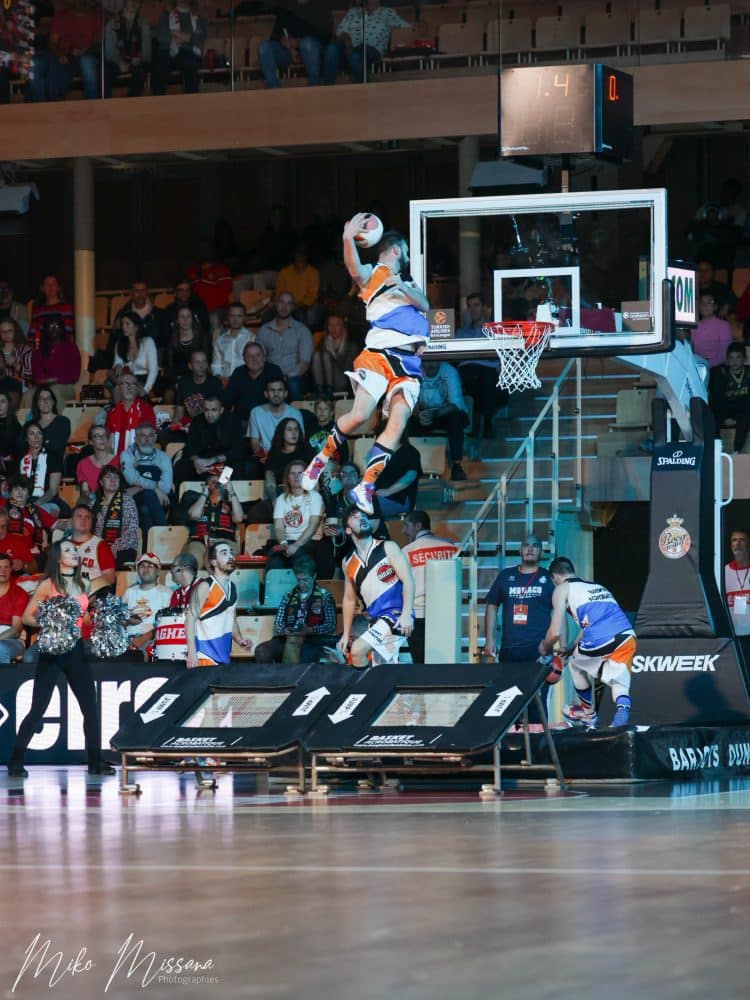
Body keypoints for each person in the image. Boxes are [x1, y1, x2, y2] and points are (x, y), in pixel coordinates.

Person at [303, 216, 430, 514]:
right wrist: (348, 239)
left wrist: (403, 287)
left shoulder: (408, 284)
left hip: (408, 363)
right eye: (407, 251)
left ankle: (367, 484)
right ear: (397, 250)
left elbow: (425, 305)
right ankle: (319, 461)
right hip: (377, 355)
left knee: (397, 423)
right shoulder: (374, 274)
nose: (409, 256)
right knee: (359, 414)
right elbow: (353, 268)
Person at [7, 541, 116, 778]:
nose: (74, 553)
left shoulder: (83, 583)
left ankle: (95, 761)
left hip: (75, 649)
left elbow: (84, 617)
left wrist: (109, 619)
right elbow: (27, 617)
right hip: (53, 649)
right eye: (68, 550)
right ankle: (15, 760)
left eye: (75, 550)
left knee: (90, 707)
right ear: (58, 557)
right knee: (38, 708)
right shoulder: (48, 585)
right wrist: (52, 621)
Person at [540, 556, 636, 730]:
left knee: (575, 665)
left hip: (600, 637)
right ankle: (622, 711)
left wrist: (544, 647)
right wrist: (571, 646)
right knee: (619, 678)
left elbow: (554, 632)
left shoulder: (562, 588)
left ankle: (589, 715)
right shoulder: (595, 586)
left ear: (555, 577)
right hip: (627, 635)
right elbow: (588, 626)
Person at [339, 505, 415, 667]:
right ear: (347, 530)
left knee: (357, 650)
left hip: (395, 615)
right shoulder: (348, 562)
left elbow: (408, 579)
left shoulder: (388, 547)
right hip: (376, 619)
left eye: (363, 515)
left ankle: (361, 691)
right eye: (355, 516)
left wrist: (407, 613)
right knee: (383, 670)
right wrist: (345, 635)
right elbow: (349, 600)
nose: (362, 518)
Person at [254, 552, 337, 664]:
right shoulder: (288, 596)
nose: (302, 583)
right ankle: (272, 680)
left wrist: (310, 630)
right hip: (288, 638)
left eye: (305, 580)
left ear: (314, 576)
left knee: (300, 646)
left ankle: (289, 678)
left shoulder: (324, 596)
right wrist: (284, 630)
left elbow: (330, 625)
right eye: (299, 580)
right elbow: (278, 624)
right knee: (262, 651)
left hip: (313, 640)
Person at [401, 510, 459, 664]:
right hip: (447, 615)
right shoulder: (450, 547)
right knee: (445, 662)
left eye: (406, 526)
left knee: (420, 664)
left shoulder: (406, 551)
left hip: (418, 615)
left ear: (418, 526)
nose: (403, 530)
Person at [185, 541, 250, 666]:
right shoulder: (205, 586)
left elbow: (232, 620)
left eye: (231, 553)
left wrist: (240, 640)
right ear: (213, 562)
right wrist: (192, 652)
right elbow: (190, 618)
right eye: (224, 553)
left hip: (224, 657)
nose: (230, 556)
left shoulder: (233, 588)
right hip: (204, 655)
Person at [259, 0, 337, 89]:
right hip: (290, 52)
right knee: (264, 48)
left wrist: (298, 42)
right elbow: (275, 35)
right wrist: (282, 40)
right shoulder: (288, 6)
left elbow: (326, 35)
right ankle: (273, 88)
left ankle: (314, 86)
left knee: (307, 44)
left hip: (313, 50)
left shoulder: (320, 4)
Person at [413, 358, 469, 481]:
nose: (430, 364)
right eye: (426, 361)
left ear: (439, 361)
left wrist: (434, 414)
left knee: (456, 419)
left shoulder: (449, 372)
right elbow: (411, 401)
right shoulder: (415, 371)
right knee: (406, 420)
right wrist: (418, 414)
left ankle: (456, 466)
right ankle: (412, 467)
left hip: (447, 413)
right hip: (424, 414)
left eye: (433, 361)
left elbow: (455, 405)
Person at [269, 459, 325, 574]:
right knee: (274, 564)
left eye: (300, 473)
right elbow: (279, 527)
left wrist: (296, 546)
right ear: (288, 478)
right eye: (293, 473)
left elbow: (313, 525)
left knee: (300, 560)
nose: (296, 476)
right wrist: (283, 543)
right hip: (287, 542)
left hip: (308, 543)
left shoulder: (315, 497)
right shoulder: (281, 499)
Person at [256, 292, 314, 402]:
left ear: (293, 307)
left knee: (293, 384)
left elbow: (304, 363)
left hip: (295, 376)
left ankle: (297, 416)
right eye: (281, 302)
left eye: (289, 303)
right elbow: (260, 360)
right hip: (271, 376)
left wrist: (287, 376)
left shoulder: (302, 330)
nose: (284, 307)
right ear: (275, 304)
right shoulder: (264, 330)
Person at [175, 394, 244, 486]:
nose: (209, 414)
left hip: (225, 461)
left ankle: (225, 494)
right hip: (203, 463)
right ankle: (188, 496)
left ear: (221, 410)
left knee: (237, 466)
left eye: (214, 410)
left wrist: (214, 460)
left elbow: (238, 449)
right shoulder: (198, 420)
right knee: (181, 466)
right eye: (206, 410)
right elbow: (190, 447)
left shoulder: (233, 421)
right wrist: (196, 460)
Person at [335, 0, 410, 82]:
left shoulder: (387, 12)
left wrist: (419, 26)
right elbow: (340, 30)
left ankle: (364, 85)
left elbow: (407, 28)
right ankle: (326, 87)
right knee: (332, 51)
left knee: (355, 57)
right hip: (349, 48)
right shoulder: (353, 11)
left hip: (373, 50)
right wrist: (347, 40)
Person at [121, 422, 173, 533]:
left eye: (150, 435)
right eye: (143, 436)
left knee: (145, 510)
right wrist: (154, 488)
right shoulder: (127, 455)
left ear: (155, 438)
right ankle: (163, 532)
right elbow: (131, 478)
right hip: (135, 499)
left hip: (161, 500)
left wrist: (145, 487)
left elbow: (167, 485)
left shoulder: (163, 456)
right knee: (147, 495)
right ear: (135, 438)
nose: (147, 439)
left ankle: (148, 546)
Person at [47, 0, 101, 101]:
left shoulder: (95, 17)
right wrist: (60, 55)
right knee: (54, 64)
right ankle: (55, 104)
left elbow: (98, 44)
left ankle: (92, 104)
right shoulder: (62, 17)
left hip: (86, 56)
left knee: (87, 61)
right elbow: (52, 43)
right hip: (66, 57)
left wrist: (85, 50)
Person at [185, 474, 244, 566]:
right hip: (199, 541)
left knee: (222, 556)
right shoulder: (197, 501)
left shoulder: (230, 503)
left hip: (224, 540)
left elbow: (239, 518)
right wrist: (205, 493)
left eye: (219, 482)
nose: (217, 484)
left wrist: (231, 491)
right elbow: (194, 515)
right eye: (213, 481)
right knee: (194, 557)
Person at [222, 341, 284, 426]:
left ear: (264, 356)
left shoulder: (274, 371)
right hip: (242, 421)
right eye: (250, 356)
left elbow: (282, 399)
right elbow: (227, 400)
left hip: (268, 421)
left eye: (258, 355)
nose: (254, 359)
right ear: (244, 359)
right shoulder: (238, 372)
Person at [152, 0, 206, 95]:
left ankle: (192, 103)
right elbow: (161, 38)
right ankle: (157, 104)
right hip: (167, 52)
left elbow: (199, 40)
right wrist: (188, 37)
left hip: (189, 53)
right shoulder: (166, 16)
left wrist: (174, 33)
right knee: (160, 66)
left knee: (190, 64)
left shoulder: (198, 18)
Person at [124, 552, 173, 657]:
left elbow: (167, 624)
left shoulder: (166, 593)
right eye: (142, 566)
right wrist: (127, 620)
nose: (145, 570)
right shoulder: (129, 591)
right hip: (126, 640)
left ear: (158, 571)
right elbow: (120, 620)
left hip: (151, 641)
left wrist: (143, 638)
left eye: (150, 566)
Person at [91, 466, 139, 568]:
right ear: (101, 482)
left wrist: (115, 547)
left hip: (123, 549)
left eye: (116, 477)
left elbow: (131, 530)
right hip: (99, 548)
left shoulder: (128, 502)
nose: (113, 479)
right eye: (108, 476)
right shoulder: (94, 504)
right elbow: (90, 531)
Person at [103, 0, 151, 98]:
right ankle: (106, 105)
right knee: (104, 72)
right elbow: (109, 52)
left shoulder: (144, 24)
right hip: (116, 60)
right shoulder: (112, 24)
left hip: (135, 60)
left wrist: (139, 58)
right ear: (125, 2)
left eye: (137, 1)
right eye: (131, 0)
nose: (134, 3)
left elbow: (147, 53)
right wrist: (119, 62)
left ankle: (131, 103)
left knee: (140, 73)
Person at [29, 315, 81, 405]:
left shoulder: (71, 348)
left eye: (57, 326)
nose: (53, 329)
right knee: (28, 395)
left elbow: (74, 376)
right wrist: (44, 382)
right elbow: (37, 376)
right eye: (50, 326)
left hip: (65, 386)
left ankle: (53, 419)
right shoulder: (39, 352)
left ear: (62, 329)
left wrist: (56, 380)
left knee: (51, 393)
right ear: (45, 330)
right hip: (42, 387)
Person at [248, 377, 305, 458]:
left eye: (280, 390)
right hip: (264, 457)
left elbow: (301, 441)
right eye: (272, 390)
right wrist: (264, 458)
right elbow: (255, 443)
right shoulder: (256, 412)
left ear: (285, 393)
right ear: (266, 394)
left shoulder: (295, 413)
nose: (276, 394)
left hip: (289, 456)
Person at [709, 343, 750, 453]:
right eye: (731, 357)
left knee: (746, 415)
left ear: (745, 359)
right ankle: (717, 447)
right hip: (723, 407)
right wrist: (726, 417)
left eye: (738, 357)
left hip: (743, 409)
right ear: (726, 360)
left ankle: (737, 449)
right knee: (712, 416)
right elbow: (717, 397)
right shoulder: (719, 372)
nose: (734, 361)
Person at [105, 372, 156, 457]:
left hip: (139, 461)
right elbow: (107, 442)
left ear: (137, 389)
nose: (130, 387)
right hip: (115, 462)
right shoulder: (112, 413)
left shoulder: (146, 410)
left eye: (133, 384)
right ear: (119, 388)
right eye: (126, 383)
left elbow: (150, 440)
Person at [19, 421, 64, 516]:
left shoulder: (53, 457)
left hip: (47, 501)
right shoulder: (21, 459)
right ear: (26, 438)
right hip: (24, 501)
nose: (36, 437)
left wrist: (36, 504)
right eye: (32, 433)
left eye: (39, 433)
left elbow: (53, 490)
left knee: (41, 512)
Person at [112, 311, 159, 398]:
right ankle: (120, 410)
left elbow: (153, 369)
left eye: (127, 324)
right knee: (117, 390)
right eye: (122, 324)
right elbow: (117, 361)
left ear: (136, 327)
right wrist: (118, 364)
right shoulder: (120, 344)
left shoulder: (147, 342)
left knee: (124, 389)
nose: (123, 327)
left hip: (144, 380)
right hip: (128, 379)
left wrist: (146, 390)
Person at [69, 502, 117, 588]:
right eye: (79, 516)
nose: (84, 520)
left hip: (91, 593)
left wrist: (89, 588)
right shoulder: (61, 545)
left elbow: (110, 577)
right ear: (71, 521)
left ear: (92, 522)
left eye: (87, 517)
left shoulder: (101, 545)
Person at [276, 245, 324, 330]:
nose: (300, 256)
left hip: (303, 307)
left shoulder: (313, 273)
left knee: (300, 314)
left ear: (307, 256)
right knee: (268, 314)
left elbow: (312, 295)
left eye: (303, 254)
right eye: (298, 253)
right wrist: (285, 305)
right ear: (294, 255)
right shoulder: (284, 272)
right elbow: (279, 292)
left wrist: (297, 306)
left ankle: (302, 339)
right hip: (285, 304)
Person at [264, 417, 314, 498]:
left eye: (296, 429)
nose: (294, 432)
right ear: (282, 433)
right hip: (281, 493)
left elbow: (314, 475)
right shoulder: (275, 453)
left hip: (303, 491)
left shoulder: (307, 451)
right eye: (289, 429)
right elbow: (269, 475)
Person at [373, 436, 422, 518]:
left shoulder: (411, 452)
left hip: (399, 499)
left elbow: (411, 476)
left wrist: (388, 491)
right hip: (378, 495)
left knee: (365, 507)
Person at [173, 349, 223, 429]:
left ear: (207, 364)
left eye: (204, 362)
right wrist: (176, 424)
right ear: (190, 366)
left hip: (209, 427)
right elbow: (179, 412)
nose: (201, 365)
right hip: (188, 426)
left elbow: (217, 416)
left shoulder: (215, 383)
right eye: (197, 362)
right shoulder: (183, 382)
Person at [310, 315, 359, 396]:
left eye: (337, 325)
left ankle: (329, 390)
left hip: (342, 381)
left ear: (343, 327)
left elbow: (347, 369)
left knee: (326, 356)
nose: (333, 328)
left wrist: (333, 353)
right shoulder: (323, 341)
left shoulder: (351, 345)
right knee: (317, 355)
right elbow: (316, 365)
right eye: (330, 325)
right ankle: (319, 390)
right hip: (323, 381)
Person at [165, 305, 210, 385]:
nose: (185, 320)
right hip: (179, 379)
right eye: (182, 316)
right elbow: (169, 366)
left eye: (188, 316)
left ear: (192, 319)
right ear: (177, 320)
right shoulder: (172, 339)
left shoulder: (202, 337)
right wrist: (176, 382)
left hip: (199, 378)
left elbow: (205, 362)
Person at [211, 302, 253, 383]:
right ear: (228, 317)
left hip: (245, 381)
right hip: (224, 381)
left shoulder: (251, 338)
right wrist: (221, 379)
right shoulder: (220, 340)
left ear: (245, 318)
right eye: (232, 316)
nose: (235, 319)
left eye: (239, 316)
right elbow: (216, 366)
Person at [27, 275, 74, 348]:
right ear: (42, 288)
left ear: (58, 287)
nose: (51, 286)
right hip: (42, 350)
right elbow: (32, 333)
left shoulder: (66, 308)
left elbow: (68, 332)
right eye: (47, 284)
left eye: (53, 284)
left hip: (61, 349)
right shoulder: (38, 310)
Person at [691, 292, 733, 369]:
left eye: (709, 303)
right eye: (702, 303)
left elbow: (724, 353)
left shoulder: (723, 325)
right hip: (697, 366)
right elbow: (690, 349)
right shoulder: (694, 325)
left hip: (717, 368)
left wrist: (707, 364)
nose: (705, 305)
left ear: (715, 307)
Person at [0, 551, 28, 662]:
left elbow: (16, 630)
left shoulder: (19, 594)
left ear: (11, 569)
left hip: (11, 639)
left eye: (6, 567)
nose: (3, 571)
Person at [29, 385, 71, 458]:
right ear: (37, 403)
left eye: (48, 398)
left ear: (53, 402)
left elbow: (57, 447)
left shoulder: (63, 421)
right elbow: (23, 445)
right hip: (33, 462)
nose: (45, 401)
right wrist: (47, 442)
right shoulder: (32, 424)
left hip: (54, 464)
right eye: (42, 399)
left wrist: (35, 444)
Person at [76, 426, 118, 500]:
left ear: (108, 439)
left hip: (115, 500)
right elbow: (85, 491)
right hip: (94, 500)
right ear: (91, 442)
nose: (102, 438)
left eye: (104, 435)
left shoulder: (118, 460)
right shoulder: (83, 464)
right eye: (97, 436)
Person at [725, 529, 750, 636]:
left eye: (742, 540)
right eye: (734, 540)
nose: (737, 543)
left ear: (749, 546)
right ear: (731, 546)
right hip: (733, 636)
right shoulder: (723, 572)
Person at [0, 506, 39, 575]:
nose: (0, 530)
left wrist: (23, 564)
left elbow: (34, 568)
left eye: (3, 526)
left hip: (14, 582)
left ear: (7, 525)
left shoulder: (17, 541)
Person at [0, 317, 32, 400]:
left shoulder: (25, 349)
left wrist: (16, 365)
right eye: (3, 331)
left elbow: (31, 375)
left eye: (9, 330)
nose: (6, 334)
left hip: (22, 389)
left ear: (16, 331)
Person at [0, 390, 22, 475]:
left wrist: (8, 458)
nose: (0, 405)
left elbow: (20, 450)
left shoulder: (16, 426)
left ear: (8, 404)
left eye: (3, 401)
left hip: (10, 468)